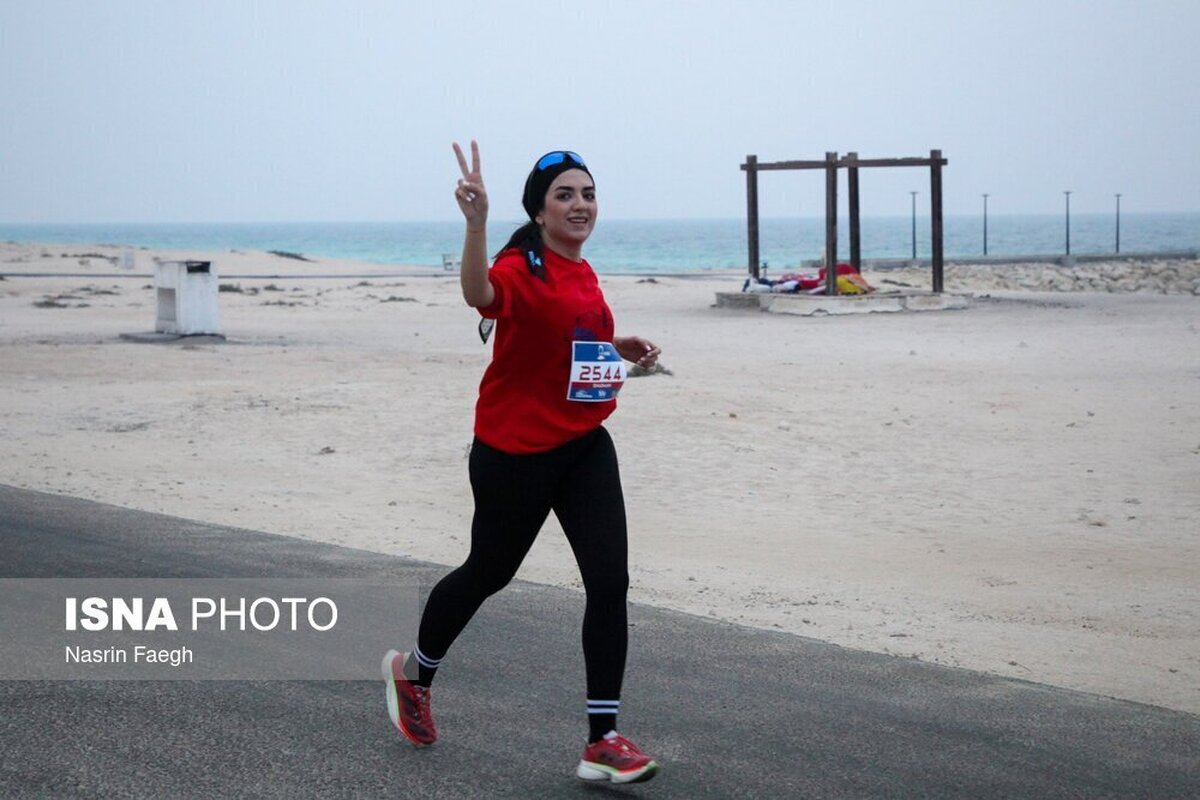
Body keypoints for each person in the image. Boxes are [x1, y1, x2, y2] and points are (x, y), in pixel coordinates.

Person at [382, 141, 661, 785]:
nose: (580, 204)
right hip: (515, 454)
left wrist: (614, 344)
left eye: (588, 193)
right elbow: (478, 293)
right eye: (565, 195)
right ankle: (414, 676)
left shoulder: (581, 270)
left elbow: (564, 333)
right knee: (488, 572)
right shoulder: (518, 267)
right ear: (539, 211)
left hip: (584, 445)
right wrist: (476, 224)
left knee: (609, 583)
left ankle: (602, 741)